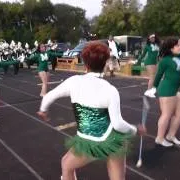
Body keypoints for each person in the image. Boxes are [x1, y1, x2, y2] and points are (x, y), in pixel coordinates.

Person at [37, 42, 146, 180]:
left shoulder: (74, 82)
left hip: (88, 139)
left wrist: (43, 110)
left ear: (85, 64)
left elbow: (49, 96)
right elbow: (118, 124)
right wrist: (135, 130)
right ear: (106, 63)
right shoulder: (110, 90)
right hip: (113, 139)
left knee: (66, 165)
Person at [144, 12, 180, 147]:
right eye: (177, 45)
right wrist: (153, 88)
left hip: (175, 90)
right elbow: (158, 75)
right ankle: (159, 138)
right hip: (166, 90)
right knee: (166, 115)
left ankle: (170, 135)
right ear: (171, 48)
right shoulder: (166, 60)